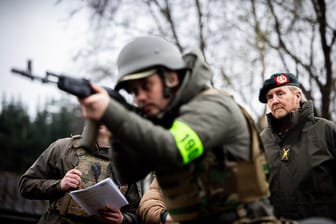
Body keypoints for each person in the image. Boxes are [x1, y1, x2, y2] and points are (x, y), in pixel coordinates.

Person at [78, 35, 277, 224]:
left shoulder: (213, 106)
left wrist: (113, 113)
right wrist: (115, 128)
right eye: (134, 92)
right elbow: (128, 173)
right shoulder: (164, 123)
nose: (139, 98)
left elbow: (172, 149)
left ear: (171, 79)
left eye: (146, 86)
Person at [18, 123, 141, 224]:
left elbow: (138, 215)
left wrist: (122, 220)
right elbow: (26, 185)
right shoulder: (62, 148)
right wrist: (59, 185)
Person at [258, 72, 336, 221]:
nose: (274, 101)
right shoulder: (262, 142)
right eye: (270, 97)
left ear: (298, 96)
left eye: (280, 93)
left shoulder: (326, 131)